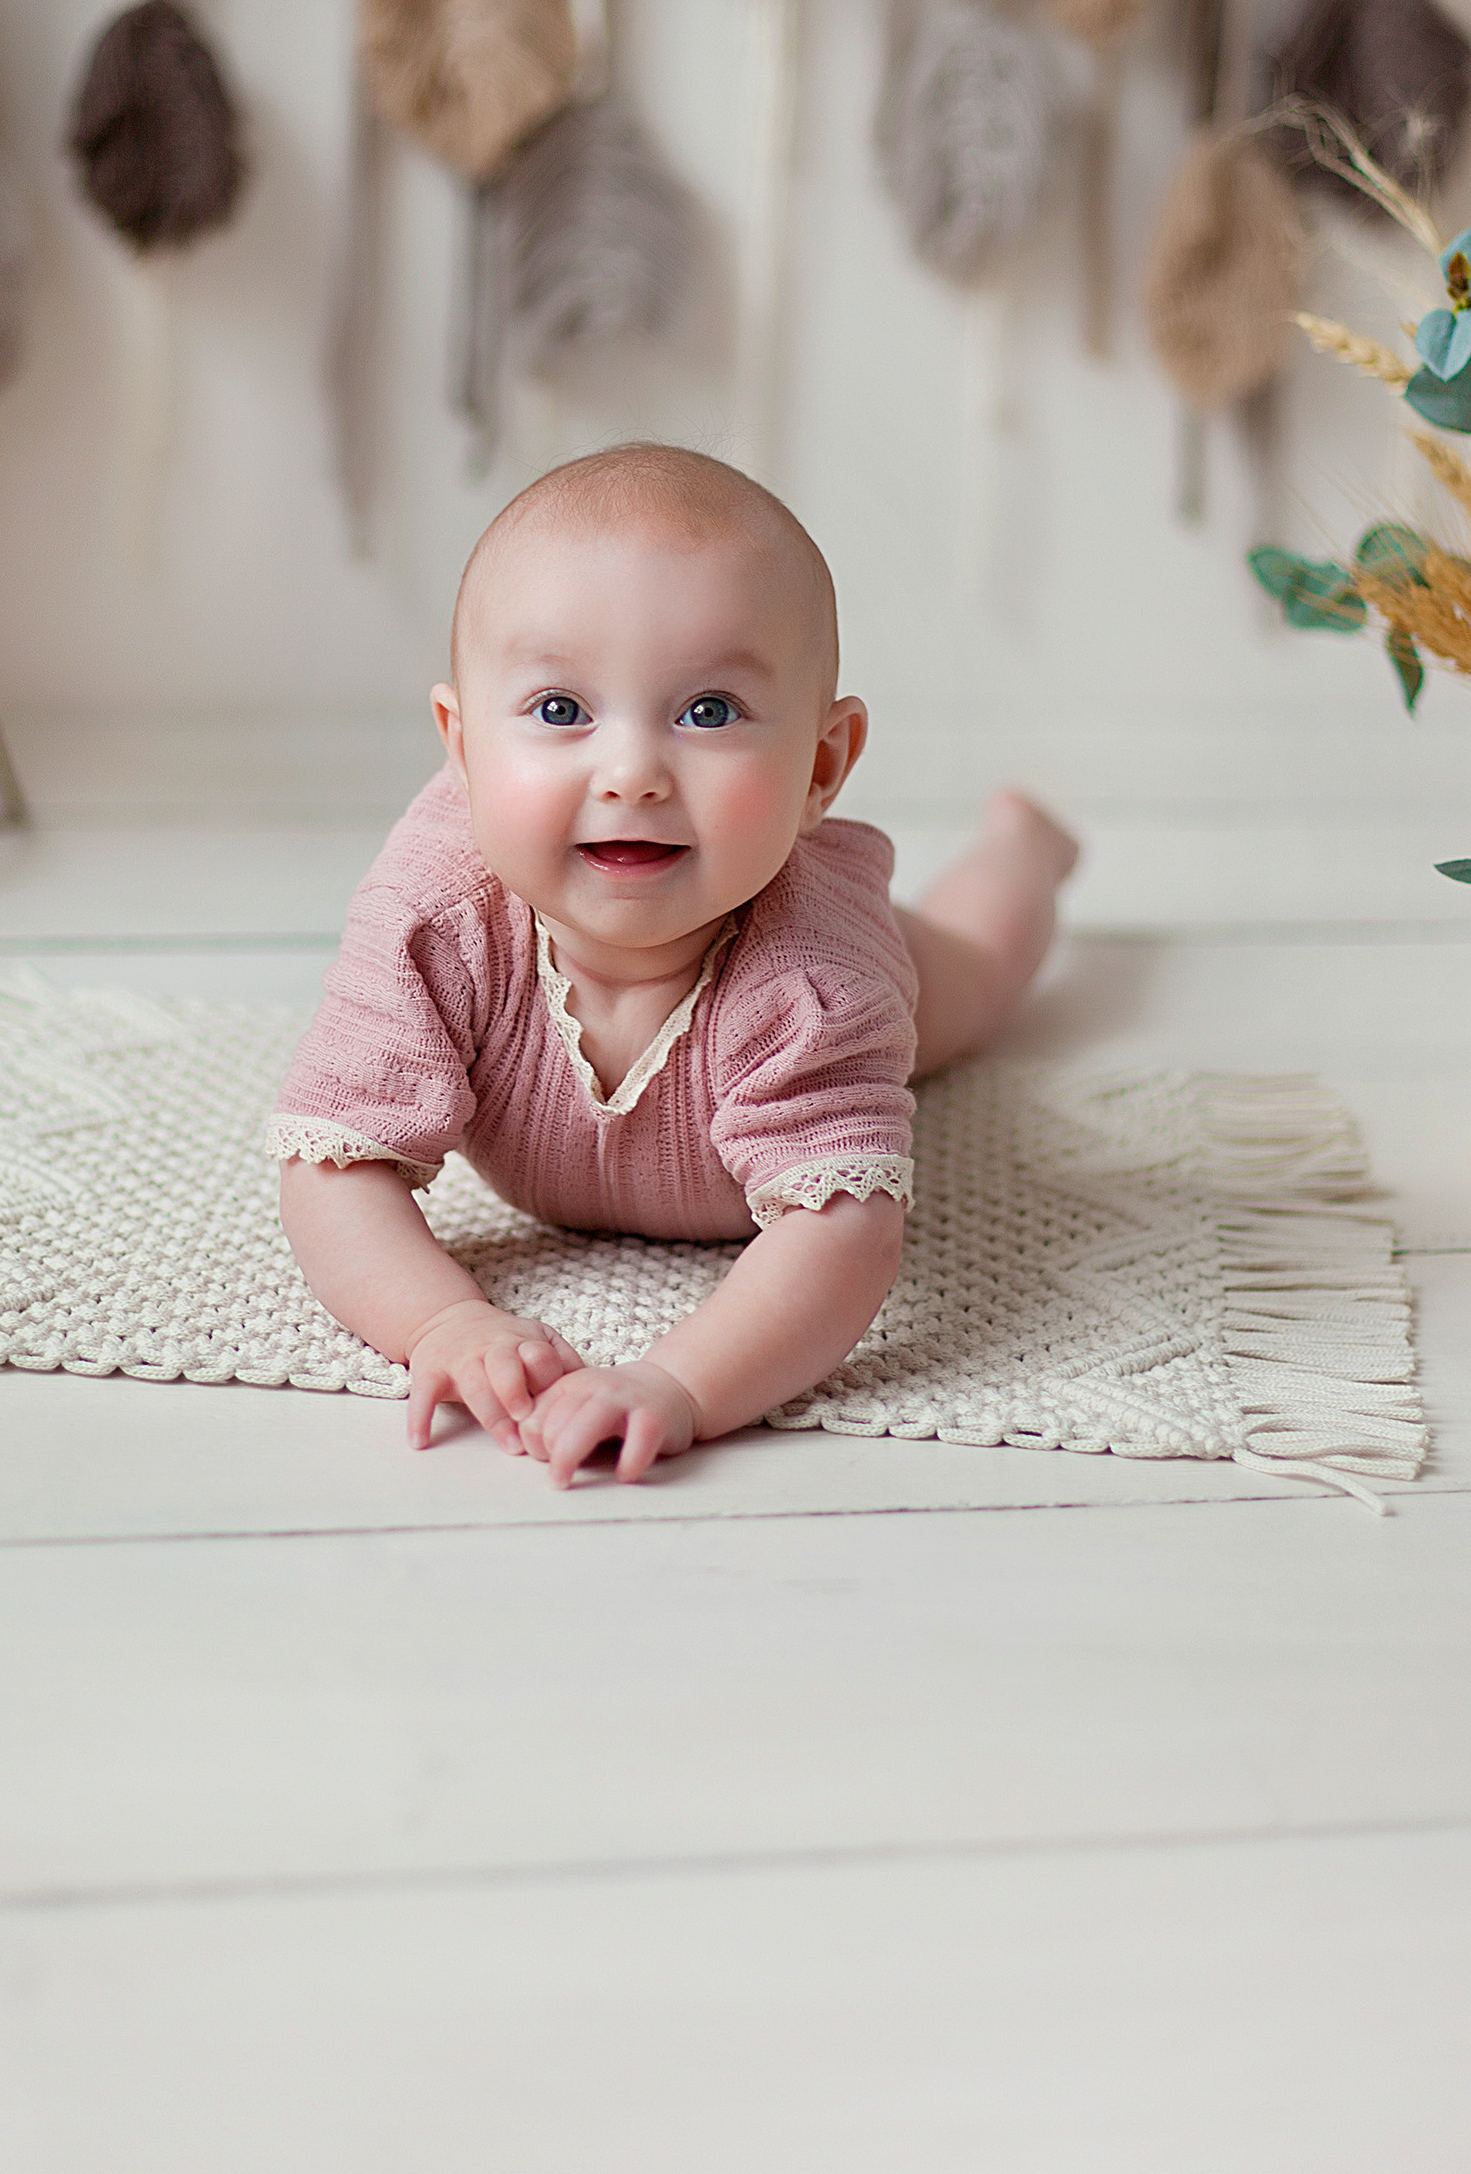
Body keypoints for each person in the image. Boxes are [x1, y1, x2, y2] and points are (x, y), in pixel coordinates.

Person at [272, 445, 1077, 1487]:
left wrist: (681, 1385)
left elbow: (847, 1237)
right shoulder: (431, 916)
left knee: (977, 966)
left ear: (821, 766)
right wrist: (440, 1322)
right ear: (461, 748)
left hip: (850, 953)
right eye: (559, 710)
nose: (631, 775)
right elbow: (334, 1165)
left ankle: (1023, 849)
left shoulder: (819, 979)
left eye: (708, 712)